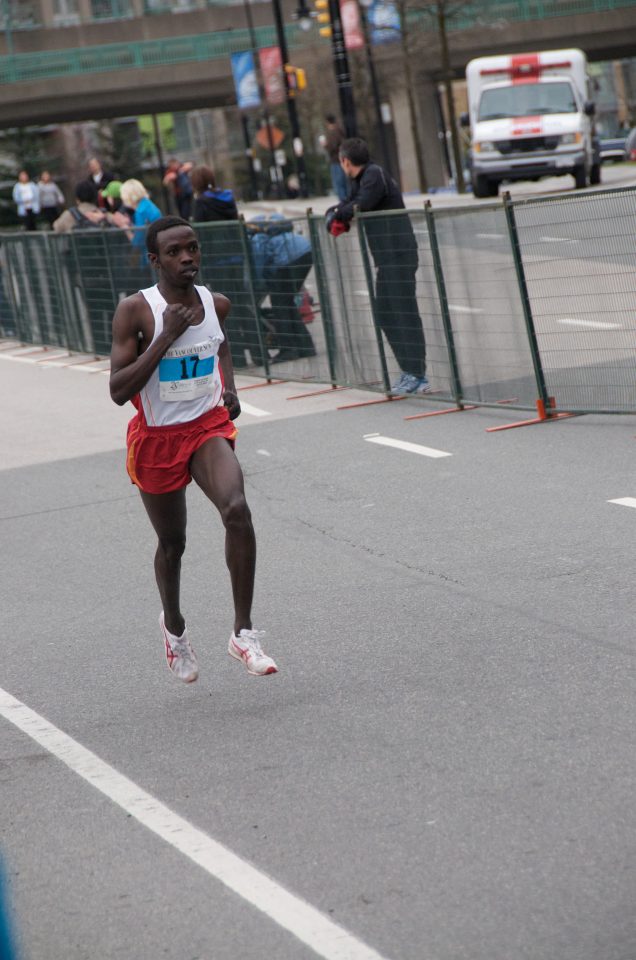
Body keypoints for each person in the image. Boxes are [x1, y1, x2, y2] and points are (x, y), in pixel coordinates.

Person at [109, 216, 278, 682]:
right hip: (158, 437)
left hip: (206, 426)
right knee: (172, 543)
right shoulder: (136, 311)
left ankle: (242, 633)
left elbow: (219, 346)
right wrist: (163, 337)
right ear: (154, 260)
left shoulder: (215, 303)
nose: (187, 258)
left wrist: (229, 388)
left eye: (193, 248)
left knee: (237, 509)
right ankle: (175, 627)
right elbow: (119, 390)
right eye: (174, 252)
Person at [331, 137, 429, 395]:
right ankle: (411, 371)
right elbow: (348, 203)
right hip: (387, 259)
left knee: (402, 311)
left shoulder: (373, 176)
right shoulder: (362, 179)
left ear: (345, 161)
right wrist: (336, 212)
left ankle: (417, 374)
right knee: (387, 312)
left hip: (399, 255)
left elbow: (361, 204)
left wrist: (341, 214)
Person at [190, 165, 264, 368]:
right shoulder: (227, 199)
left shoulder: (201, 203)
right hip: (235, 257)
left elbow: (200, 234)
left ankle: (237, 357)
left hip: (217, 260)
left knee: (223, 309)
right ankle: (259, 353)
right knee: (241, 303)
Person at [248, 213, 316, 363]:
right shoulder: (272, 228)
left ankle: (288, 349)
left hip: (288, 260)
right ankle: (306, 346)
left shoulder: (256, 237)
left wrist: (258, 285)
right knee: (287, 302)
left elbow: (259, 262)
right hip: (305, 251)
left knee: (280, 305)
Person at [120, 178, 162, 263]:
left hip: (151, 260)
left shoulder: (140, 212)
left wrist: (125, 228)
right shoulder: (146, 204)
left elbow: (137, 242)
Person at [321, 115, 348, 202]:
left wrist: (325, 145)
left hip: (336, 161)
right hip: (341, 159)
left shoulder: (334, 132)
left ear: (328, 123)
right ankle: (346, 201)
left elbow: (333, 146)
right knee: (343, 183)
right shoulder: (340, 131)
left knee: (338, 184)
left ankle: (343, 203)